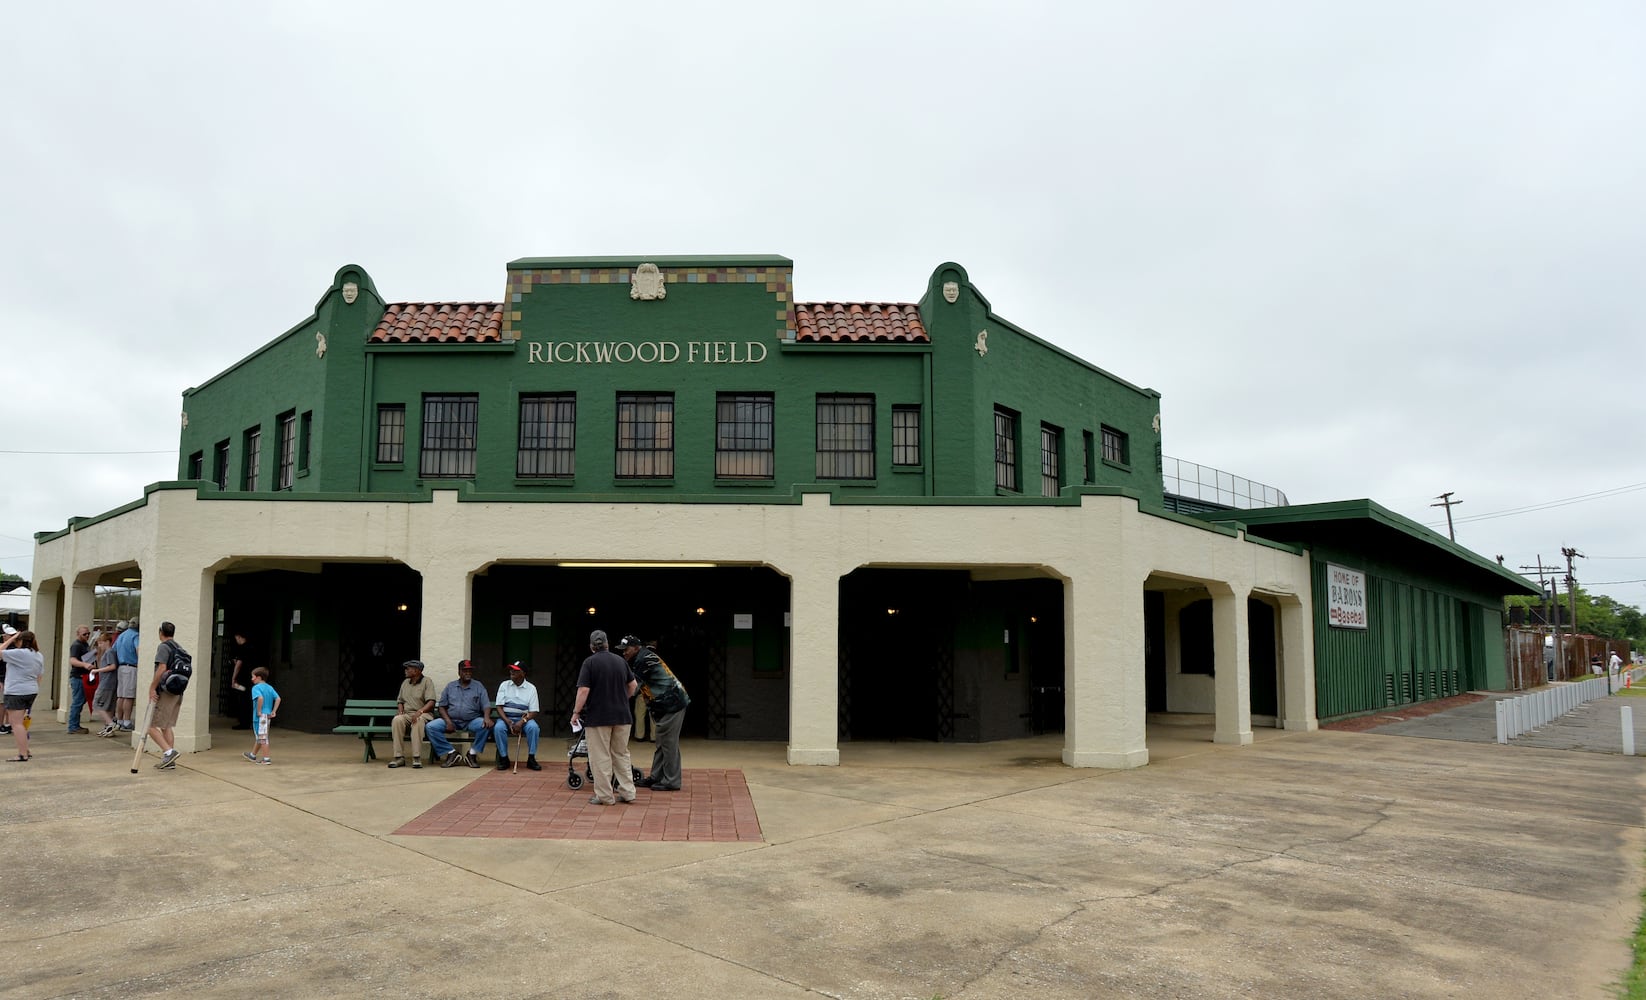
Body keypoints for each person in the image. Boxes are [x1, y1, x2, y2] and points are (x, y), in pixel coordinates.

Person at [571, 630, 637, 805]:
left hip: (598, 716)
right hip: (622, 715)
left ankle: (605, 796)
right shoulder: (620, 661)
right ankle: (628, 792)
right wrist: (623, 699)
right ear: (607, 644)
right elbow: (633, 685)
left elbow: (583, 690)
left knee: (600, 756)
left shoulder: (589, 663)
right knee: (621, 754)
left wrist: (576, 712)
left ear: (592, 646)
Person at [618, 634, 690, 791]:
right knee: (662, 742)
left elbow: (633, 687)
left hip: (673, 704)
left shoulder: (643, 660)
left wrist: (615, 701)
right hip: (665, 705)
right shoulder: (641, 657)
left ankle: (672, 781)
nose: (624, 652)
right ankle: (657, 776)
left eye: (626, 649)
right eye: (622, 649)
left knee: (669, 744)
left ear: (636, 647)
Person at [427, 659, 490, 768]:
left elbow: (486, 705)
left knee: (485, 726)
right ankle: (451, 753)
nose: (468, 673)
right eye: (465, 671)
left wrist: (487, 718)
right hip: (451, 720)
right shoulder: (450, 686)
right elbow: (442, 706)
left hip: (471, 721)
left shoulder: (478, 686)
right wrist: (448, 721)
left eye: (470, 671)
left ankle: (472, 754)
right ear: (459, 672)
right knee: (431, 727)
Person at [147, 621, 190, 770]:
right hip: (178, 691)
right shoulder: (179, 647)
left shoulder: (163, 647)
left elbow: (162, 668)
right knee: (167, 726)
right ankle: (169, 761)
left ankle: (169, 752)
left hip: (166, 692)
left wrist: (152, 688)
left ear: (160, 632)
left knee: (150, 726)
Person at [2, 628, 44, 762]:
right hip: (31, 690)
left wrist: (10, 639)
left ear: (20, 641)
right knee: (21, 723)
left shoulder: (19, 653)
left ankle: (22, 754)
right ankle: (25, 749)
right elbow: (39, 675)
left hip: (16, 691)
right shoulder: (38, 655)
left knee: (16, 724)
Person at [492, 661, 541, 771]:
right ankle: (504, 759)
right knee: (498, 728)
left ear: (523, 673)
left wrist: (522, 721)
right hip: (506, 718)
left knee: (534, 728)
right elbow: (499, 706)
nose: (512, 672)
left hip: (524, 719)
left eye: (515, 670)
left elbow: (534, 712)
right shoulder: (504, 685)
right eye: (511, 670)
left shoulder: (531, 688)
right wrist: (507, 721)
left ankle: (531, 758)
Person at [388, 659, 436, 769]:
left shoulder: (427, 681)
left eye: (408, 668)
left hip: (424, 713)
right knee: (397, 720)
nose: (406, 670)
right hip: (407, 714)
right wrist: (400, 711)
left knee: (417, 721)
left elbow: (431, 702)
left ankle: (416, 757)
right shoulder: (405, 683)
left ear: (416, 671)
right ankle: (398, 757)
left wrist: (420, 712)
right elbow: (400, 701)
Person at [243, 666, 280, 765]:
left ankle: (266, 759)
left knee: (262, 738)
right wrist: (274, 711)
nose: (252, 679)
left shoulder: (256, 688)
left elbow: (260, 698)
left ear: (259, 678)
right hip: (267, 716)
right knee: (261, 736)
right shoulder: (269, 687)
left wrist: (258, 711)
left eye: (253, 677)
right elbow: (278, 698)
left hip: (260, 717)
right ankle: (253, 755)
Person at [66, 623, 95, 733]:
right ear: (78, 634)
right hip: (78, 677)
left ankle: (75, 725)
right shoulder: (76, 645)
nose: (87, 636)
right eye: (84, 634)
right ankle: (73, 726)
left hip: (84, 676)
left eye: (88, 634)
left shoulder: (85, 644)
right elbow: (72, 660)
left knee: (81, 701)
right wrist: (84, 665)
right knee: (77, 702)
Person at [89, 632, 119, 736]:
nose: (100, 645)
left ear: (107, 642)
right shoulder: (108, 652)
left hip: (106, 683)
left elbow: (112, 666)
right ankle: (108, 728)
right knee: (108, 706)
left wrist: (97, 671)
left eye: (101, 643)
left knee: (97, 704)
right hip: (109, 682)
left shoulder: (109, 652)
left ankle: (111, 724)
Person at [113, 618, 140, 733]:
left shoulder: (121, 636)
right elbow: (139, 650)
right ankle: (127, 721)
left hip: (121, 667)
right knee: (129, 696)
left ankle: (119, 720)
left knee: (121, 696)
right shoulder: (136, 636)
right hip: (131, 667)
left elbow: (113, 650)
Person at [227, 631, 253, 729]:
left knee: (242, 700)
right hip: (251, 678)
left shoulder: (242, 649)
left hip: (242, 679)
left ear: (239, 637)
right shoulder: (251, 647)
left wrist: (233, 678)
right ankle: (248, 721)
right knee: (248, 699)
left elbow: (239, 664)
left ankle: (243, 722)